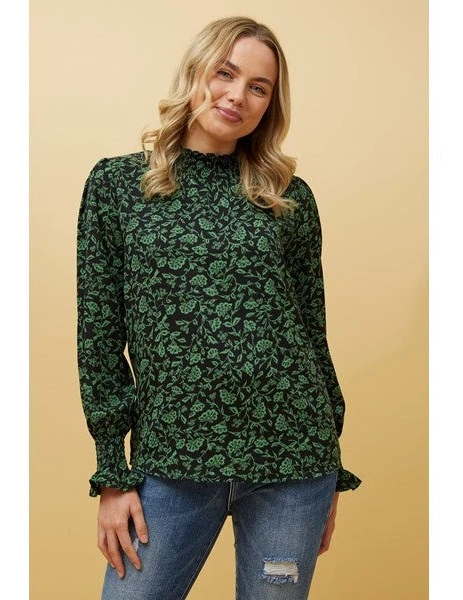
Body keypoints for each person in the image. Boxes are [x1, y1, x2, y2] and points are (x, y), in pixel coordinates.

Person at [77, 16, 361, 600]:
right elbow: (98, 336)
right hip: (171, 462)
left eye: (258, 87)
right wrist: (112, 474)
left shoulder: (288, 198)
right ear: (195, 72)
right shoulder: (117, 187)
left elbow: (311, 332)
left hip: (293, 463)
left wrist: (328, 465)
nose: (237, 95)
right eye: (225, 73)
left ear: (270, 104)